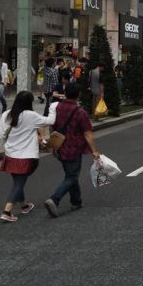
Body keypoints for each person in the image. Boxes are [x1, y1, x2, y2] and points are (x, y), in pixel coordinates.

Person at [0, 91, 57, 223]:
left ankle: (24, 205)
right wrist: (53, 106)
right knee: (19, 183)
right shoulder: (31, 115)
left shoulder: (8, 114)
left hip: (11, 155)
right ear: (29, 102)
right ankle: (6, 211)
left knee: (18, 182)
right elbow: (51, 121)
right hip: (28, 156)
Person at [43, 82, 100, 218]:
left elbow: (52, 126)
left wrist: (53, 144)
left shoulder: (57, 108)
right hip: (74, 147)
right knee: (72, 176)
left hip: (60, 146)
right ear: (79, 94)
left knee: (70, 174)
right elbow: (87, 133)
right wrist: (95, 151)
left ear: (65, 93)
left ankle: (76, 201)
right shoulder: (80, 111)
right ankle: (54, 199)